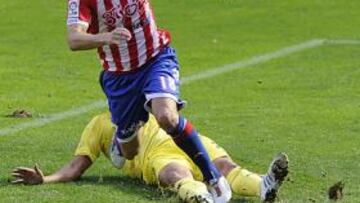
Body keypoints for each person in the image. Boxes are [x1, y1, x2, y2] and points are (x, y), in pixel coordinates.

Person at [66, 0, 229, 200]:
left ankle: (213, 177)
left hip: (155, 59)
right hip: (120, 78)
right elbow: (74, 39)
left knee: (167, 117)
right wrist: (107, 37)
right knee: (129, 151)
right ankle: (121, 136)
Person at [11, 113, 289, 203]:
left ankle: (264, 186)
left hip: (189, 139)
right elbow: (76, 167)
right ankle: (200, 197)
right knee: (176, 174)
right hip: (156, 154)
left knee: (226, 166)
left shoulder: (151, 97)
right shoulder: (98, 125)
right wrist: (45, 179)